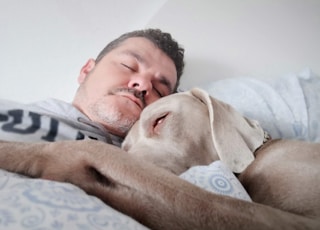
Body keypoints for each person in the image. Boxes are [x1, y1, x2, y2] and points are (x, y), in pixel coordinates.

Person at [0, 28, 184, 145]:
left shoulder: (158, 166)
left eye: (159, 91)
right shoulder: (10, 115)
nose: (144, 85)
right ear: (86, 70)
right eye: (128, 66)